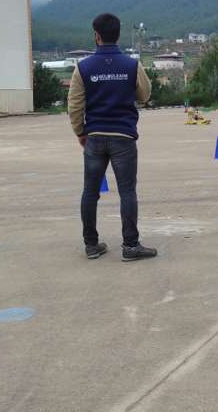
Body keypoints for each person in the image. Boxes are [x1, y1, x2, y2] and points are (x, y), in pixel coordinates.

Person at [68, 13, 156, 261]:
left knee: (90, 192)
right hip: (123, 138)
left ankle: (92, 245)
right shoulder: (131, 65)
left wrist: (80, 132)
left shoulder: (82, 67)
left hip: (94, 137)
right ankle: (130, 246)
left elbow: (74, 105)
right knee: (127, 191)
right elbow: (144, 95)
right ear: (117, 35)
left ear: (96, 36)